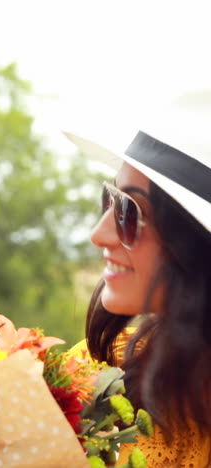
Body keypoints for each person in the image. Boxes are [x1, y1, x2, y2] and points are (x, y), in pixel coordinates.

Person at [65, 122, 211, 467]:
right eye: (110, 200)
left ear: (193, 244)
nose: (98, 234)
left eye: (127, 212)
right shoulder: (91, 373)